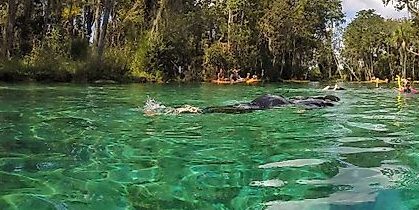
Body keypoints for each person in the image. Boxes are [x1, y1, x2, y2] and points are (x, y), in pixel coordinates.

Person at [144, 94, 340, 115]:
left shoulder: (309, 97)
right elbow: (304, 108)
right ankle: (195, 112)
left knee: (241, 107)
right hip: (271, 105)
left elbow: (300, 101)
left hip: (265, 99)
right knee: (239, 111)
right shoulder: (319, 104)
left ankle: (192, 110)